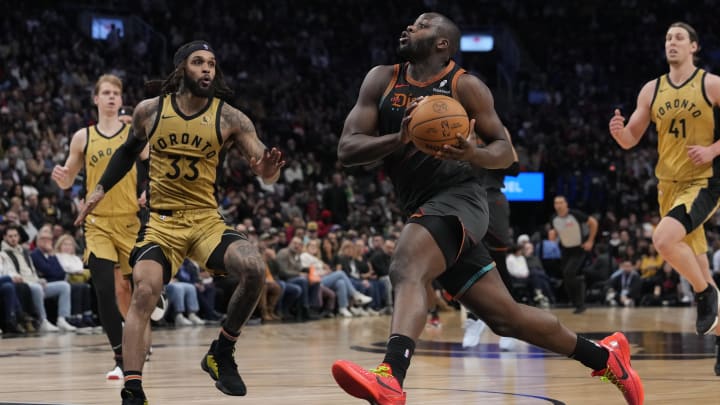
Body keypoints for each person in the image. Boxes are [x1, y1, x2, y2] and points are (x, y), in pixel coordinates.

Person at [331, 12, 643, 405]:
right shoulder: (382, 79)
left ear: (442, 43)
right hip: (421, 205)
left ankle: (391, 376)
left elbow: (506, 153)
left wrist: (473, 152)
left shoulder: (467, 87)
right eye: (410, 22)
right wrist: (401, 138)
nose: (409, 27)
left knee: (406, 265)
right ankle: (606, 356)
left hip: (462, 199)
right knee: (505, 318)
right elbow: (347, 149)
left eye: (422, 24)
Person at [75, 40, 284, 405]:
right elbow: (126, 152)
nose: (207, 69)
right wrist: (99, 189)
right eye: (198, 62)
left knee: (253, 268)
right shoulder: (149, 111)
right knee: (143, 291)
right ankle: (133, 388)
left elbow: (264, 164)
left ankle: (221, 352)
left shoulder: (230, 117)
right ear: (180, 69)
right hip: (162, 223)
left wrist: (268, 170)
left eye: (212, 64)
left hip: (205, 221)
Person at [608, 22, 720, 371]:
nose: (672, 42)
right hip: (667, 186)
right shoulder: (651, 90)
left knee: (663, 239)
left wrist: (714, 149)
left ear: (694, 47)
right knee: (700, 266)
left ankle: (704, 295)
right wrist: (618, 133)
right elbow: (631, 139)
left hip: (702, 181)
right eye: (668, 38)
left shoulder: (711, 84)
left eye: (679, 38)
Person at [52, 74, 149, 379]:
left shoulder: (134, 134)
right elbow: (70, 177)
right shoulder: (83, 137)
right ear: (95, 99)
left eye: (115, 94)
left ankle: (141, 344)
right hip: (97, 224)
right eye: (105, 93)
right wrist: (64, 178)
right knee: (104, 289)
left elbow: (152, 166)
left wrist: (148, 190)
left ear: (121, 100)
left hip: (130, 222)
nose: (110, 98)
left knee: (138, 292)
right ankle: (120, 358)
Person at [551, 195, 598, 314]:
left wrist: (590, 241)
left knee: (569, 273)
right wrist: (553, 235)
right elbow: (557, 231)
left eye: (561, 202)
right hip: (566, 250)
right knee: (567, 277)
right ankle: (577, 303)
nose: (559, 205)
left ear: (566, 204)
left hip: (579, 249)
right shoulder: (554, 218)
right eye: (556, 203)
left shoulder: (575, 214)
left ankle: (580, 304)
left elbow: (593, 222)